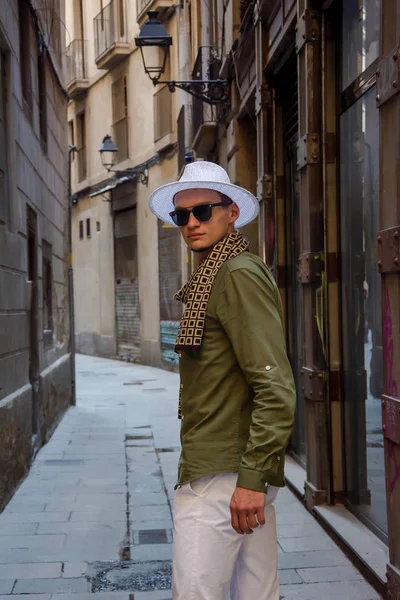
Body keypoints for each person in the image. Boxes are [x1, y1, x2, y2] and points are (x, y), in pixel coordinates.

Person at [148, 161, 296, 600]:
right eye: (181, 216)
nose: (191, 223)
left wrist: (251, 479)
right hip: (232, 467)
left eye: (204, 211)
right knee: (256, 593)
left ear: (232, 212)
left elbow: (274, 383)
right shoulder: (217, 273)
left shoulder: (235, 274)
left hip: (224, 475)